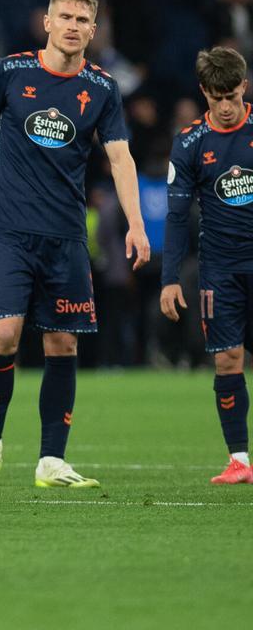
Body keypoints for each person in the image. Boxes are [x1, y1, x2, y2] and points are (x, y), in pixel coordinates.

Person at [0, 0, 150, 489]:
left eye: (83, 19)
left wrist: (136, 223)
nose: (72, 25)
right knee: (4, 335)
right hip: (10, 228)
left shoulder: (102, 89)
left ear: (93, 29)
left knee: (62, 343)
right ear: (46, 21)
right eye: (64, 15)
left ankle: (51, 462)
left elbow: (121, 158)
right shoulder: (11, 72)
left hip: (65, 234)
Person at [161, 47, 253, 484]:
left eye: (232, 96)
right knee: (227, 359)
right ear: (204, 93)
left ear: (245, 87)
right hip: (219, 269)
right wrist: (169, 279)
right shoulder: (190, 142)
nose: (226, 106)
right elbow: (177, 217)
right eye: (217, 98)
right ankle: (239, 460)